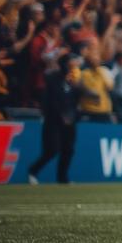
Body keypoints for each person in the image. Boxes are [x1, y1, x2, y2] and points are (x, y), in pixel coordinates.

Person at [28, 53, 80, 184]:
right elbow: (50, 100)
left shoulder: (73, 80)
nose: (73, 66)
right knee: (51, 150)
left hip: (70, 121)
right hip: (53, 121)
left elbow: (74, 101)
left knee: (68, 150)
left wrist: (72, 116)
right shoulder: (52, 78)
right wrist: (60, 115)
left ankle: (62, 178)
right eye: (71, 63)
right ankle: (33, 170)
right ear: (64, 64)